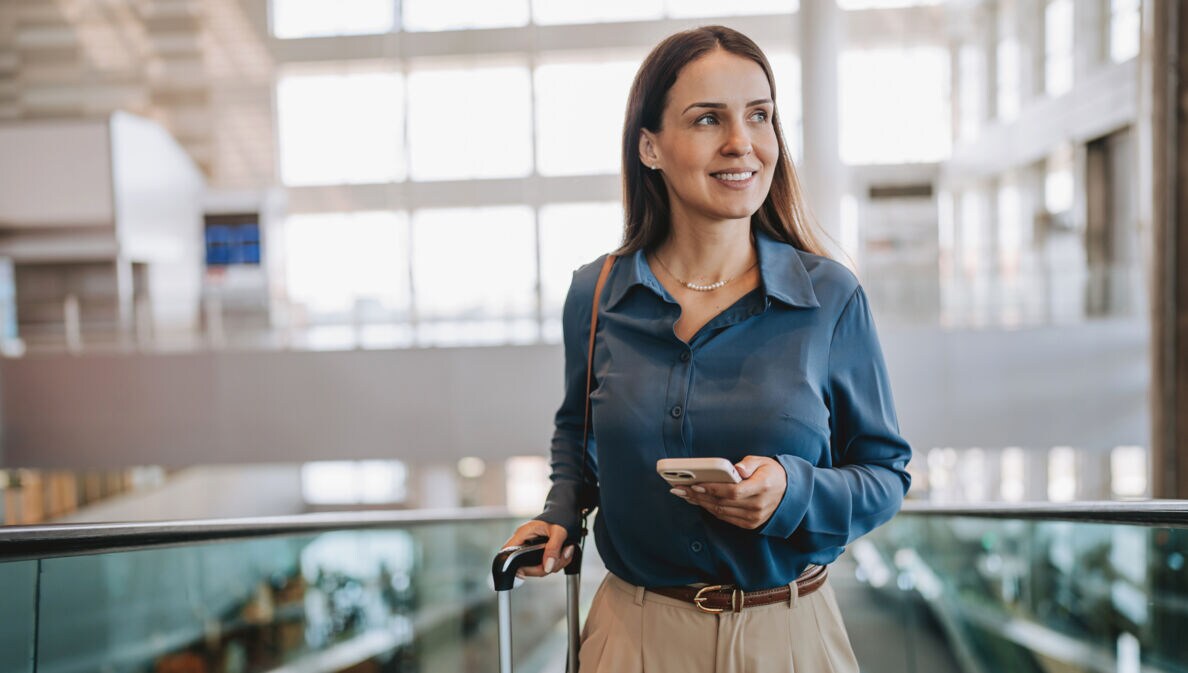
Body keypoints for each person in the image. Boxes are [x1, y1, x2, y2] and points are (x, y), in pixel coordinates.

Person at [503, 25, 912, 672]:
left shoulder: (829, 297)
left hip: (789, 640)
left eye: (759, 116)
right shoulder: (598, 292)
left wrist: (792, 491)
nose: (741, 143)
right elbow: (578, 430)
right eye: (706, 119)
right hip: (631, 639)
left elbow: (886, 475)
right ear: (650, 146)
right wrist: (560, 511)